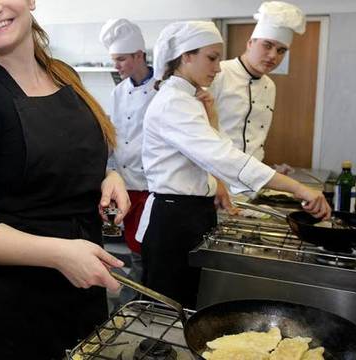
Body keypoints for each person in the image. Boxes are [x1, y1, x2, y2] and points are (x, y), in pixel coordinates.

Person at [0, 0, 130, 358]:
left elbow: (60, 159)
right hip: (5, 317)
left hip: (75, 298)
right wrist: (59, 253)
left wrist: (106, 176)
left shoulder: (64, 76)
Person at [137, 20, 330, 308]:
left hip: (191, 215)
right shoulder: (173, 102)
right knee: (167, 312)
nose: (217, 67)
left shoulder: (190, 98)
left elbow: (203, 157)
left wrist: (217, 181)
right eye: (211, 58)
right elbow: (224, 156)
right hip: (173, 221)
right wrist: (299, 189)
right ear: (186, 56)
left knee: (186, 305)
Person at [208, 1, 306, 174]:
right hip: (216, 177)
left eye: (281, 50)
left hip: (250, 180)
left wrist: (269, 170)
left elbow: (252, 142)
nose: (273, 56)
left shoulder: (270, 86)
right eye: (267, 45)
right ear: (250, 43)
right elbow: (203, 135)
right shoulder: (219, 74)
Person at [99, 18, 155, 307]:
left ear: (139, 56)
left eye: (121, 59)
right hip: (124, 181)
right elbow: (115, 135)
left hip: (151, 185)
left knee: (142, 248)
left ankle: (138, 301)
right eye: (114, 60)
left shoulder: (163, 88)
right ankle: (133, 301)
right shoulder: (118, 92)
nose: (117, 66)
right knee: (128, 246)